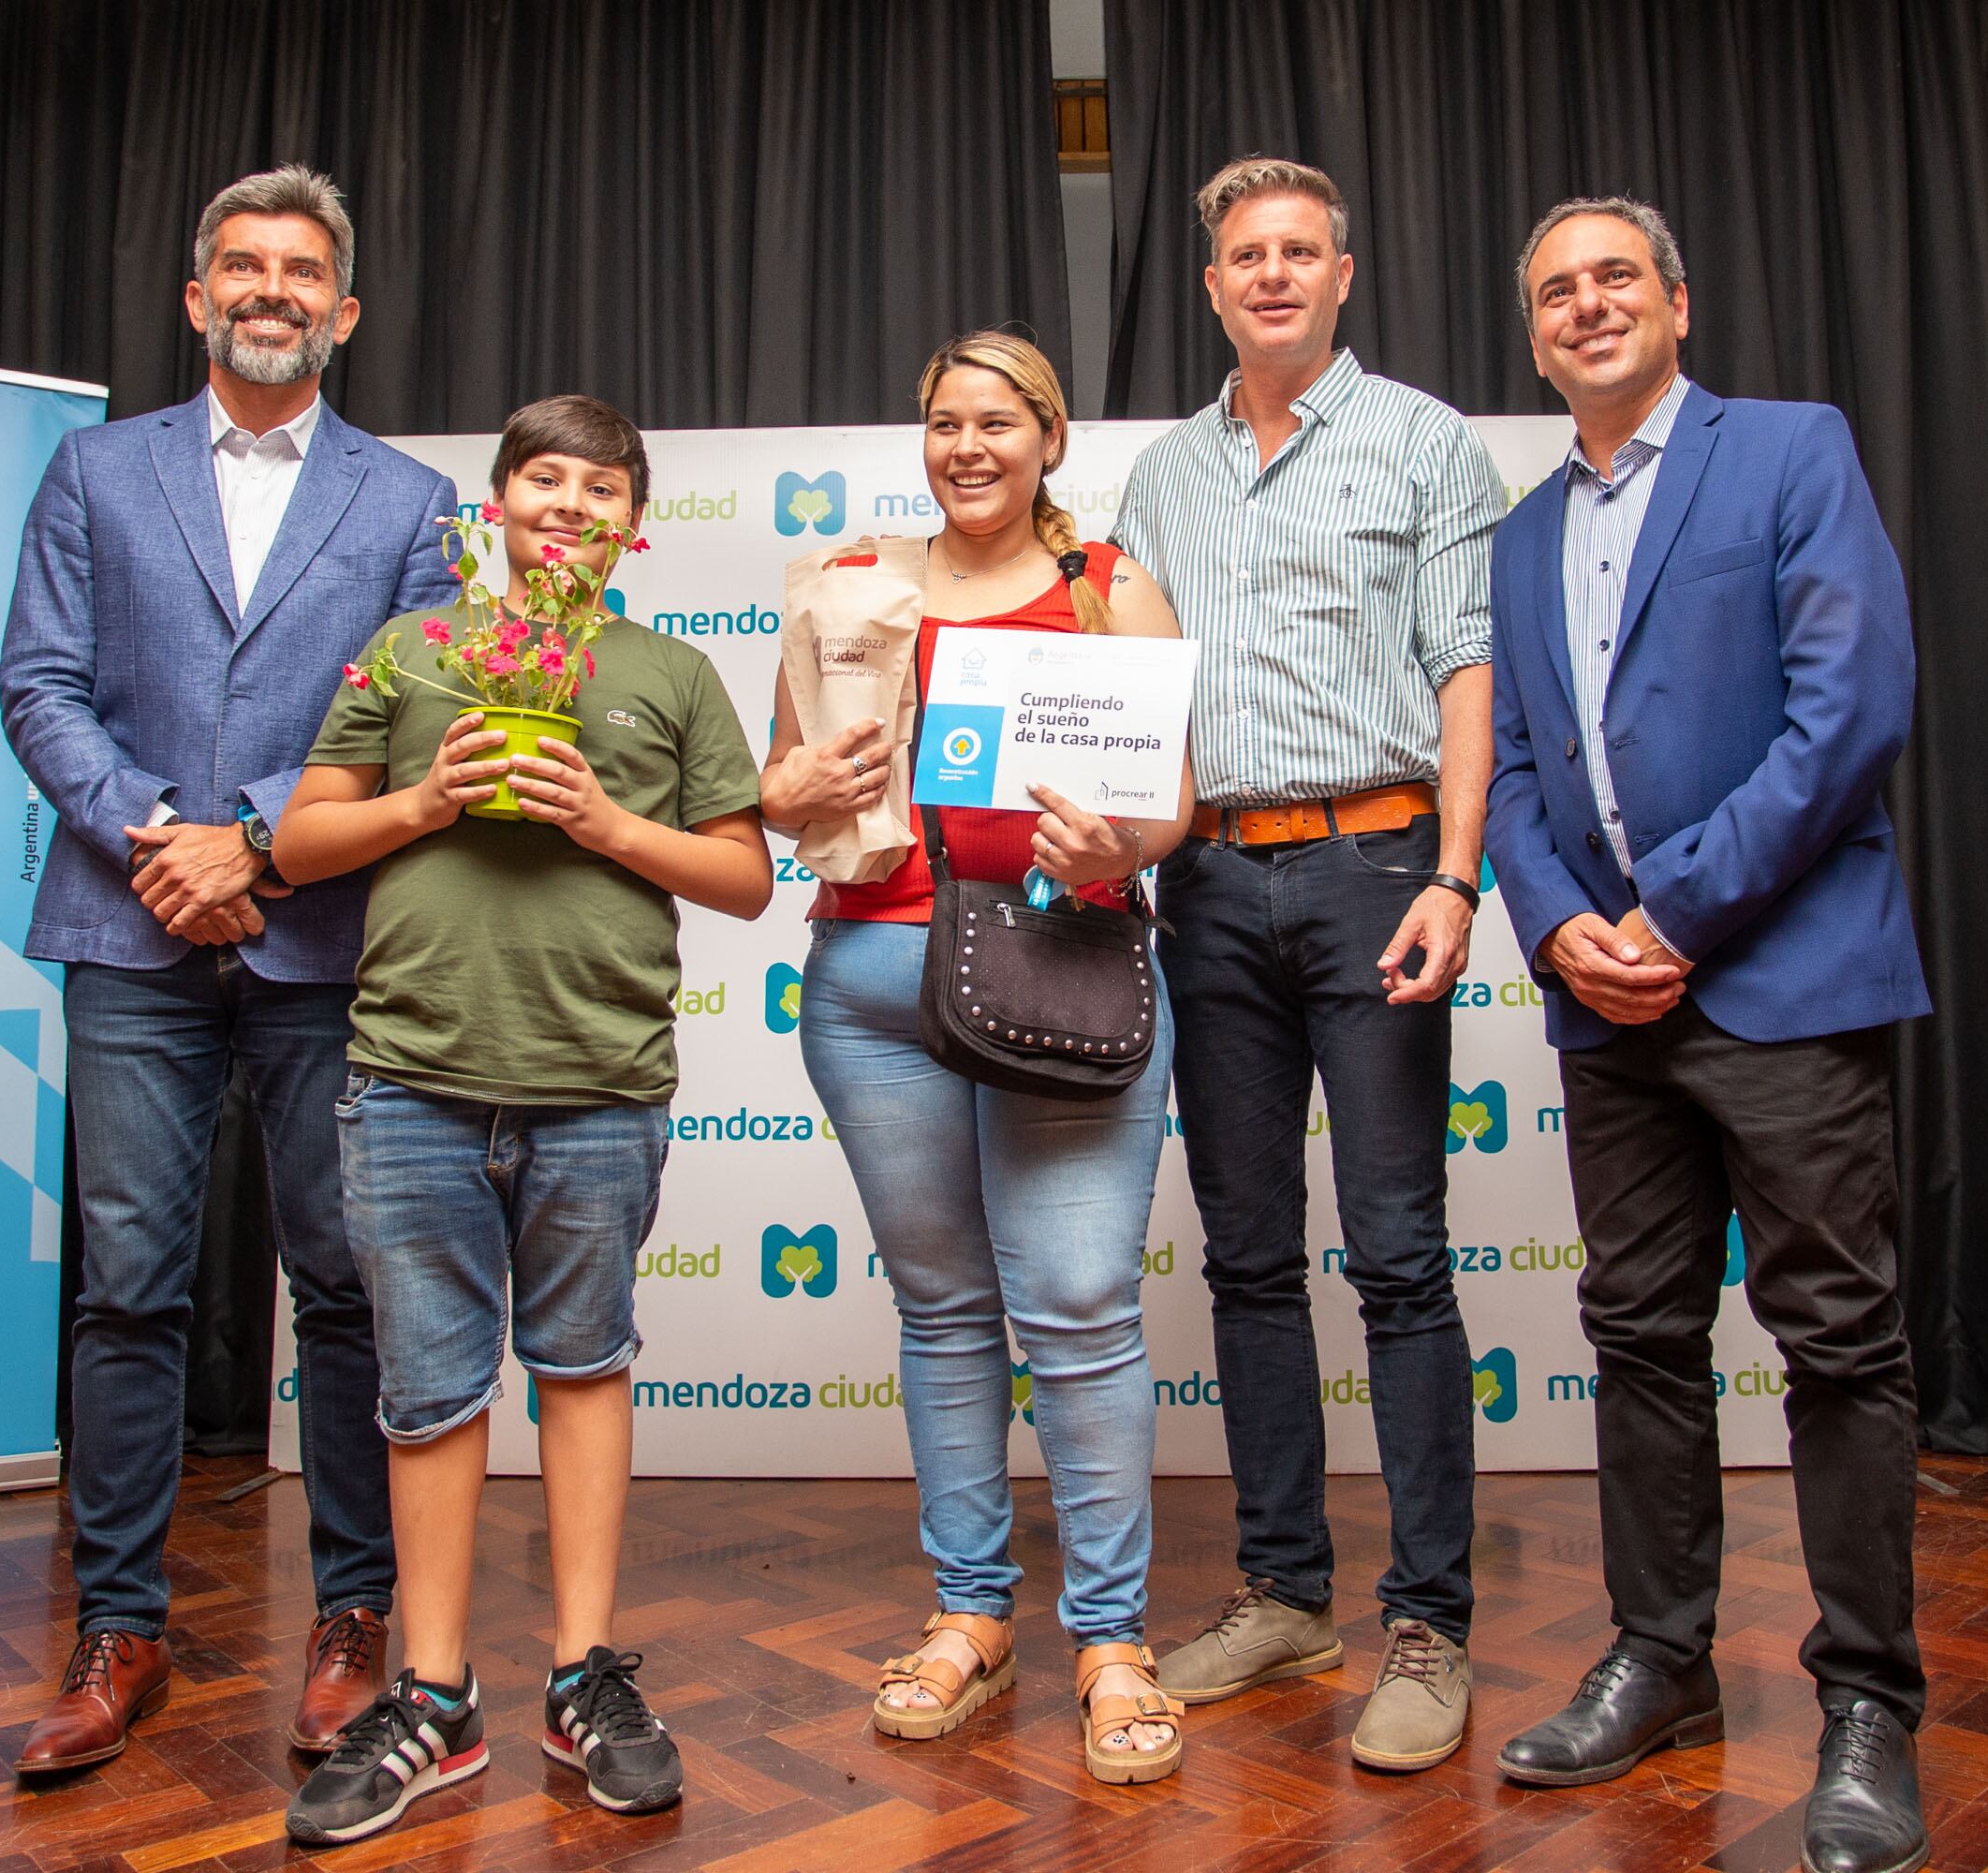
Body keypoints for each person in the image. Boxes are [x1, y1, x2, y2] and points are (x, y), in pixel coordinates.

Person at [1482, 196, 1932, 1873]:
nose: (1587, 307)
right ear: (1533, 336)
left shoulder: (1792, 453)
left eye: (1615, 278)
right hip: (1608, 1007)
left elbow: (1851, 708)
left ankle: (1870, 1702)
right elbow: (1515, 770)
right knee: (1641, 1337)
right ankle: (1662, 1659)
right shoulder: (1524, 534)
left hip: (1783, 978)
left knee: (1840, 1346)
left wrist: (1676, 914)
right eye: (1555, 293)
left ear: (1678, 297)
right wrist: (1558, 926)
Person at [0, 165, 459, 1773]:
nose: (271, 291)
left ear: (344, 312)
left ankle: (354, 1618)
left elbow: (418, 714)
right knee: (128, 1286)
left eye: (303, 272)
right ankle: (116, 1629)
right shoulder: (94, 471)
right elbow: (41, 687)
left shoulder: (407, 505)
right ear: (197, 298)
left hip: (322, 938)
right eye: (242, 268)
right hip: (131, 929)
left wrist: (251, 842)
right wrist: (163, 839)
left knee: (342, 1285)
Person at [268, 395, 770, 1842]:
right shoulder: (413, 649)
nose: (569, 505)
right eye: (542, 480)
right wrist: (427, 799)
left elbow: (742, 880)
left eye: (600, 487)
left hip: (599, 1084)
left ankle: (581, 1675)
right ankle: (433, 1694)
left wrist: (605, 823)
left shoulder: (668, 673)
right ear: (496, 508)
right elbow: (298, 844)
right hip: (412, 1075)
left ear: (634, 525)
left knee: (585, 1365)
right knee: (426, 1394)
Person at [1111, 156, 1504, 1774]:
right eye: (1243, 256)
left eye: (1299, 252)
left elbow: (1468, 669)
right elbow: (1129, 703)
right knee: (1249, 1255)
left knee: (1399, 1254)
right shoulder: (1157, 483)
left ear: (1344, 272)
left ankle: (1430, 1623)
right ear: (1213, 287)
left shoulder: (1423, 441)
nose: (1271, 275)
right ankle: (1284, 1590)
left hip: (1378, 868)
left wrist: (1460, 879)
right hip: (1207, 883)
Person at [760, 332, 1197, 1784]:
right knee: (945, 1310)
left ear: (1048, 439)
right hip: (874, 982)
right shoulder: (851, 588)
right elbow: (778, 786)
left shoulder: (1108, 588)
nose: (966, 447)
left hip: (1060, 971)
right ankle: (970, 1615)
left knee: (1076, 1306)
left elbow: (1174, 807)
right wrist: (794, 788)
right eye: (944, 422)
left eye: (996, 423)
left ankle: (1113, 1636)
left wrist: (1119, 840)